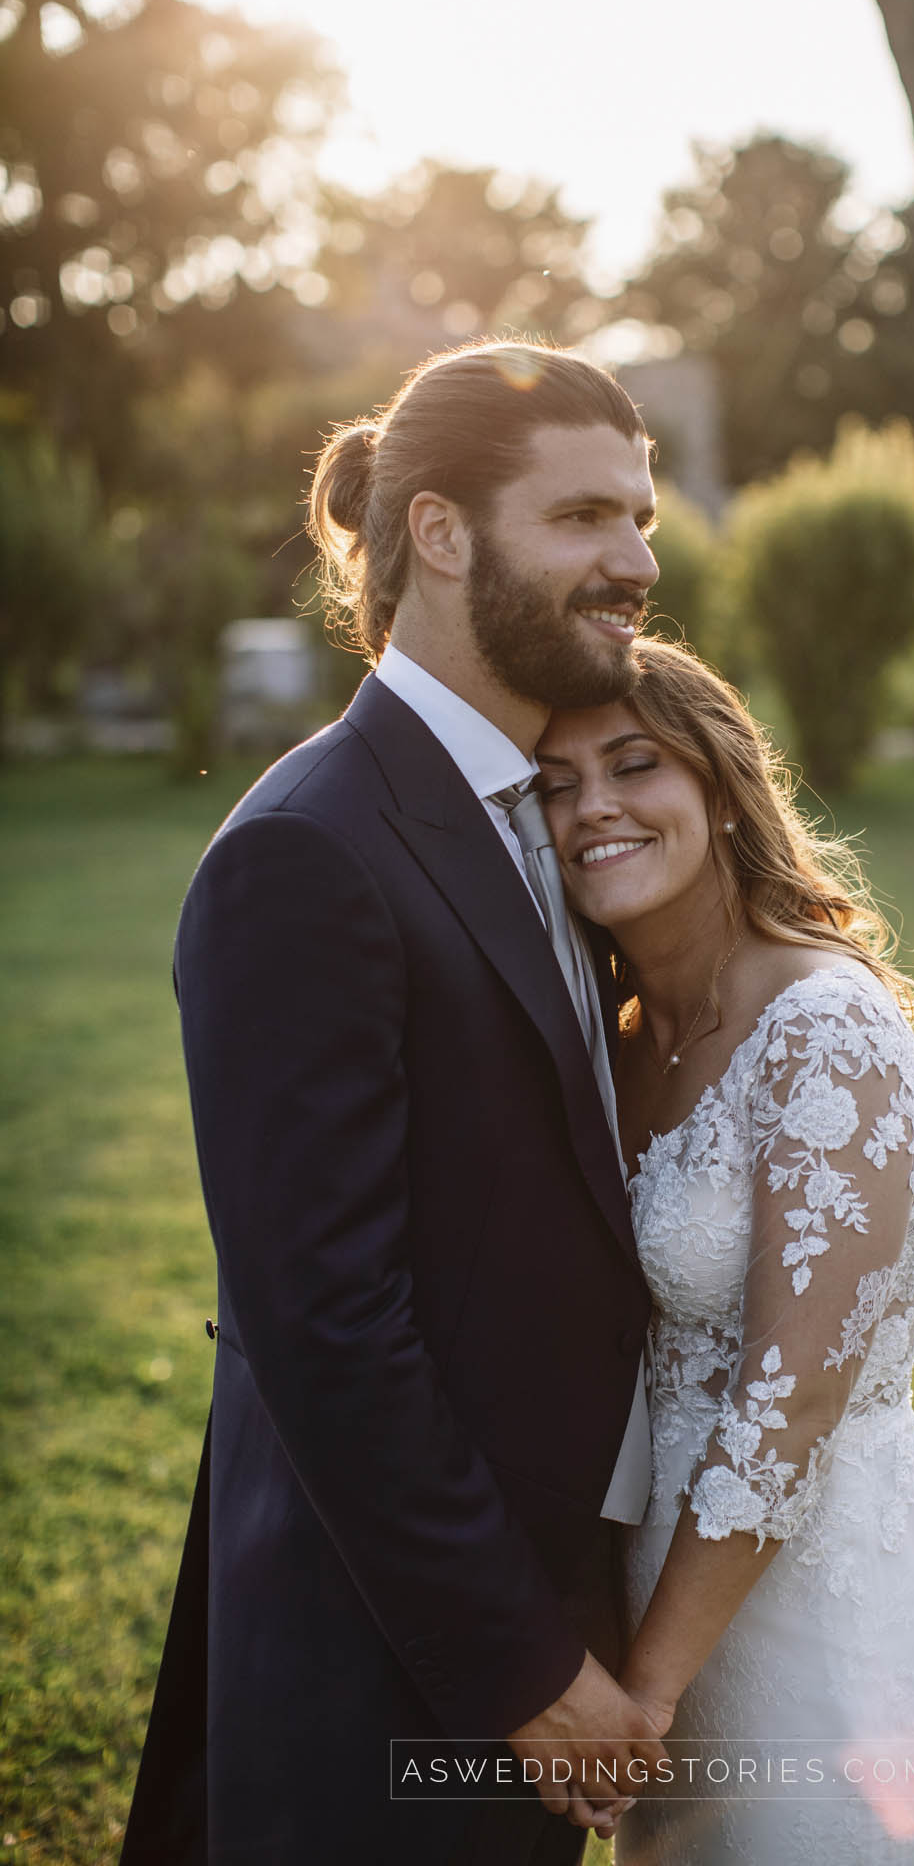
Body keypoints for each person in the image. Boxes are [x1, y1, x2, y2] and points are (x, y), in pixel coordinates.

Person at [120, 340, 670, 1866]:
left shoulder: (554, 808)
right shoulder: (308, 851)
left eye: (642, 519)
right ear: (439, 533)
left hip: (543, 1586)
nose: (633, 562)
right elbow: (326, 1325)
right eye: (581, 519)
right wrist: (525, 1668)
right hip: (397, 1662)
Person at [535, 638, 914, 1864]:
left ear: (722, 786)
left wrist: (640, 1695)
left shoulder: (825, 1031)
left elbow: (786, 1406)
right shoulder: (617, 1038)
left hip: (827, 1672)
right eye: (557, 782)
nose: (595, 809)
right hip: (664, 1654)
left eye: (634, 765)